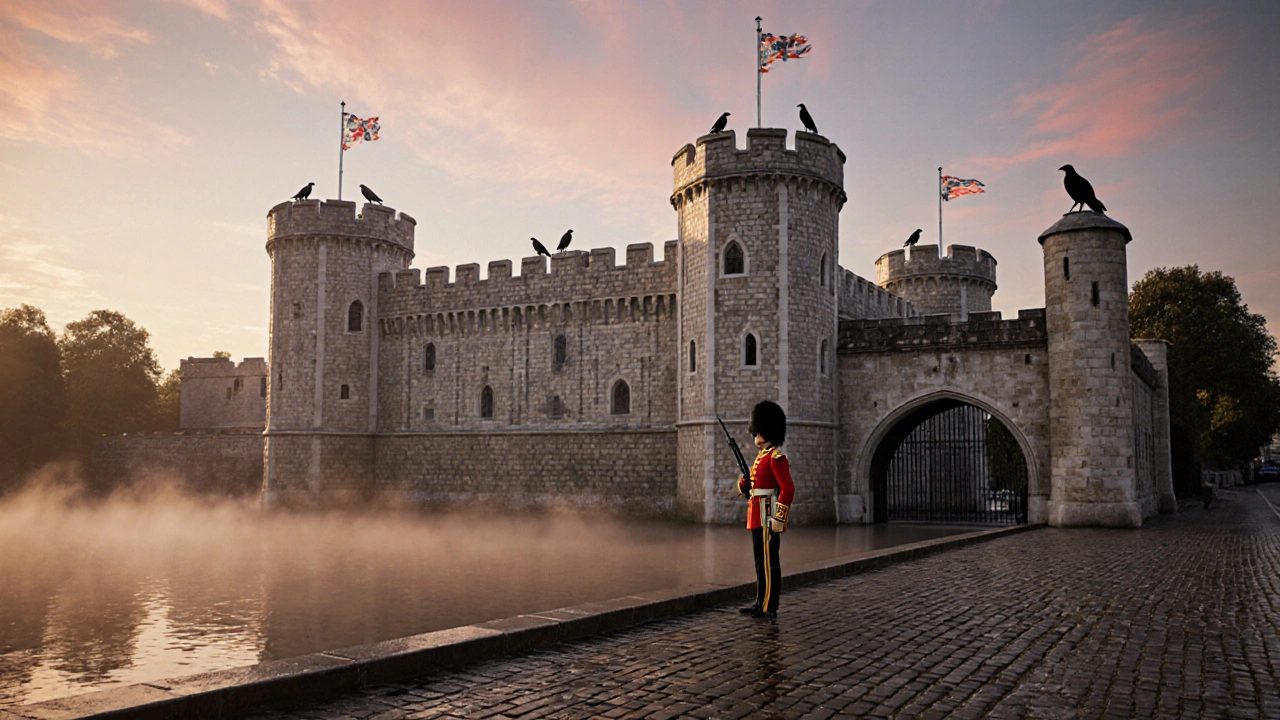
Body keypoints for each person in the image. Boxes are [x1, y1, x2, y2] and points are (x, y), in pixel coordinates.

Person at [736, 401, 795, 620]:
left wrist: (779, 519)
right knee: (760, 562)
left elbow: (787, 489)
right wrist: (743, 483)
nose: (754, 434)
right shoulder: (761, 457)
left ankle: (770, 605)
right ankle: (760, 602)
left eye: (757, 430)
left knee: (769, 563)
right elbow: (751, 489)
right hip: (756, 515)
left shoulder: (776, 458)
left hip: (768, 516)